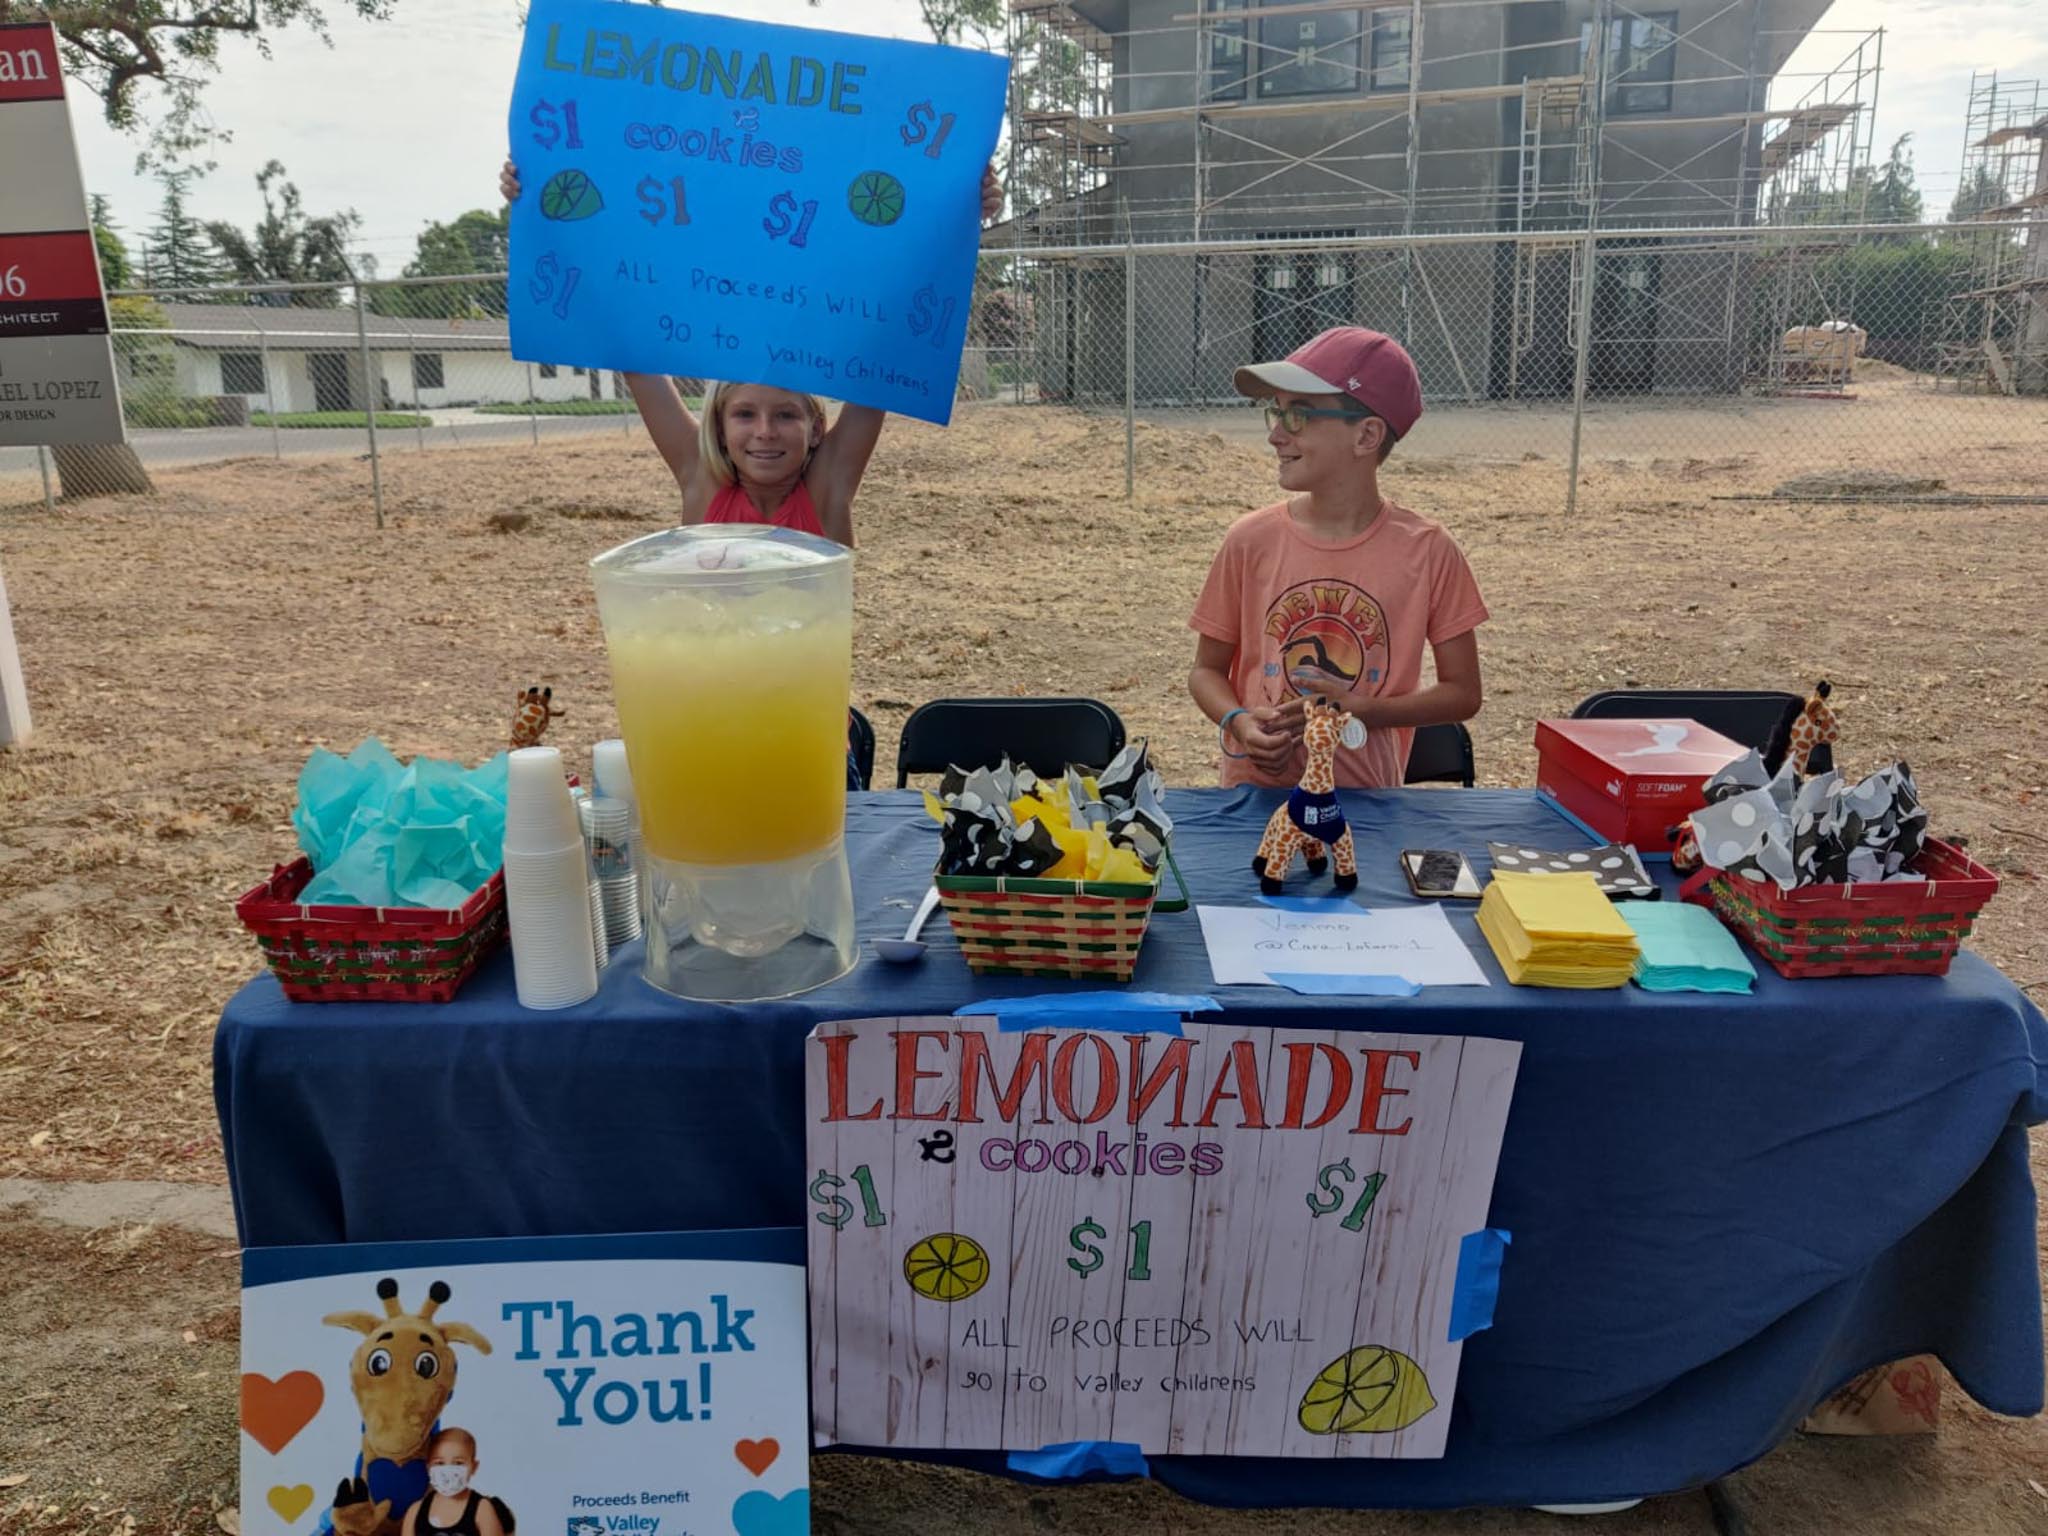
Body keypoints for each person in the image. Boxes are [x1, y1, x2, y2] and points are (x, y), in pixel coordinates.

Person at [499, 160, 1003, 548]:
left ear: (815, 430)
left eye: (785, 414)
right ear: (718, 428)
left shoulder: (828, 490)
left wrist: (959, 216)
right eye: (744, 414)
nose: (764, 430)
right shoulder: (700, 480)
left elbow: (891, 347)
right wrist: (542, 196)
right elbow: (633, 350)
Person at [1188, 327, 1487, 789]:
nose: (1275, 435)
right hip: (1253, 801)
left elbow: (1464, 694)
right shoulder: (1248, 540)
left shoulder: (1429, 550)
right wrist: (1239, 723)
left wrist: (1367, 710)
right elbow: (1206, 670)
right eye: (1276, 412)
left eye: (1298, 416)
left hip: (1367, 809)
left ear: (1367, 435)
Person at [400, 1428, 508, 1536]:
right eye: (440, 1463)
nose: (448, 1470)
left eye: (458, 1463)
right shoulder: (415, 1512)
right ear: (428, 1467)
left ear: (474, 1467)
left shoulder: (482, 1509)